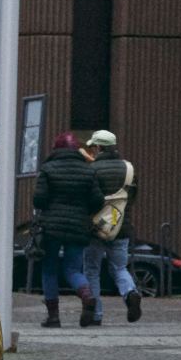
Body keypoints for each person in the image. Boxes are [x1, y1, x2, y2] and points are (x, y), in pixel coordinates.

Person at [33, 133, 103, 327]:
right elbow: (98, 200)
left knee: (49, 269)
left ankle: (53, 317)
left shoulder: (48, 168)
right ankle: (87, 296)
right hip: (79, 226)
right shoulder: (88, 171)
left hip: (51, 227)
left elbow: (38, 199)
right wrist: (84, 212)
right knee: (73, 268)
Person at [82, 130, 142, 324]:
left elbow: (90, 199)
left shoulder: (92, 170)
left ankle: (96, 314)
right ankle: (130, 292)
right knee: (119, 267)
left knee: (92, 269)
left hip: (95, 228)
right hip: (121, 227)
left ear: (98, 147)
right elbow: (132, 197)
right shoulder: (129, 168)